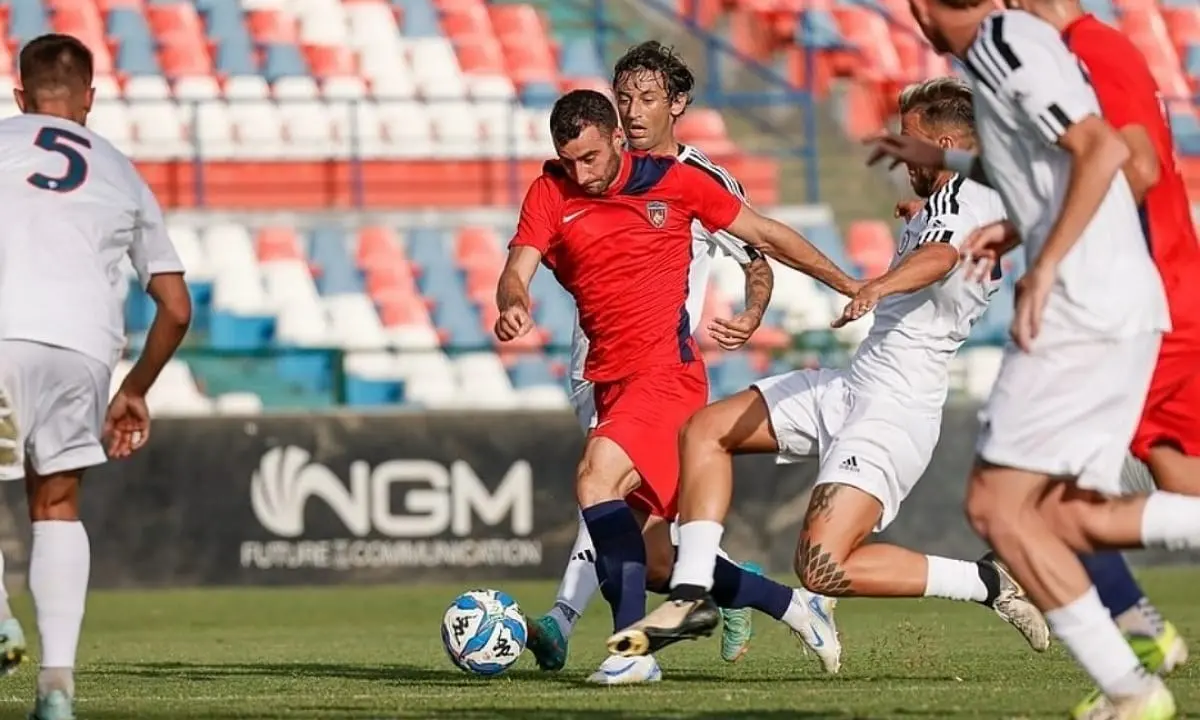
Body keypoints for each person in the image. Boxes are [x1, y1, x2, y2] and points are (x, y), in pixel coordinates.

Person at [605, 76, 1049, 672]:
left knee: (823, 567)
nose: (903, 151)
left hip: (895, 409)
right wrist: (917, 214)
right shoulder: (949, 202)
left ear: (943, 143)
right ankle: (690, 592)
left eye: (911, 141)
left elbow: (942, 259)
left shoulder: (968, 199)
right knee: (704, 430)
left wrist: (877, 285)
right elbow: (945, 239)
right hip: (853, 384)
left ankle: (987, 582)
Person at [861, 4, 1200, 717]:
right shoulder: (1014, 50)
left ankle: (1132, 683)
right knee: (1064, 514)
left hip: (1092, 305)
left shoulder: (1015, 43)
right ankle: (1135, 668)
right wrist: (951, 166)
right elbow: (1048, 160)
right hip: (1124, 304)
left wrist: (1044, 264)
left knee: (1002, 505)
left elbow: (1109, 153)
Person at [495, 89, 861, 684]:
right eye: (569, 161)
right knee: (658, 559)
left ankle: (632, 654)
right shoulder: (550, 190)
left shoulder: (678, 183)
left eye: (590, 158)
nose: (580, 174)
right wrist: (513, 302)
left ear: (618, 138)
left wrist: (848, 283)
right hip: (610, 381)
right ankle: (797, 606)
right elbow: (517, 268)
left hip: (666, 376)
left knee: (595, 477)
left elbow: (765, 236)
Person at [524, 41, 777, 680]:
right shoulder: (599, 165)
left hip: (660, 364)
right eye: (625, 98)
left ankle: (570, 624)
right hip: (597, 358)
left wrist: (750, 313)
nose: (634, 111)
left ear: (678, 104)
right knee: (644, 543)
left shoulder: (695, 179)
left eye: (648, 99)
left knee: (599, 481)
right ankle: (732, 587)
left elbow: (757, 255)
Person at [0, 34, 191, 720]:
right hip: (82, 345)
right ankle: (56, 688)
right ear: (89, 98)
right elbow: (174, 307)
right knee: (54, 506)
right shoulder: (120, 170)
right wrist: (133, 389)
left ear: (21, 97)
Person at [1017, 4, 1200, 716]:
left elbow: (1139, 166)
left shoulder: (1091, 51)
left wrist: (1058, 247)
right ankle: (1137, 641)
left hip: (1141, 310)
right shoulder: (1091, 49)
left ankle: (1137, 651)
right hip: (1165, 301)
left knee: (1030, 498)